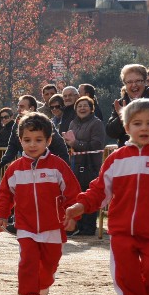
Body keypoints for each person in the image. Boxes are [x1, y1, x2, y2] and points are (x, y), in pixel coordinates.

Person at [65, 99, 149, 295]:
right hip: (121, 230)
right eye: (137, 123)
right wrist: (81, 205)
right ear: (127, 128)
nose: (144, 128)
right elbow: (99, 189)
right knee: (126, 274)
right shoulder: (117, 158)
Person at [0, 112, 80, 295]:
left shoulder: (58, 166)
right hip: (26, 226)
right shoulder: (14, 169)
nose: (33, 144)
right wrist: (1, 216)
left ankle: (42, 284)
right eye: (27, 140)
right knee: (28, 261)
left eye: (38, 140)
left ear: (48, 140)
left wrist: (73, 215)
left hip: (53, 226)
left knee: (49, 265)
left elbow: (73, 194)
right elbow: (5, 194)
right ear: (20, 140)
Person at [63, 96, 106, 236]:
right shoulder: (72, 123)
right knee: (77, 193)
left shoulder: (97, 123)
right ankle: (78, 226)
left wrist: (75, 143)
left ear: (91, 108)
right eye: (79, 105)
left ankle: (88, 228)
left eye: (85, 105)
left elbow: (97, 144)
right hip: (76, 163)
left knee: (88, 193)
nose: (82, 108)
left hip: (91, 164)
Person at [0, 95, 70, 168]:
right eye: (18, 106)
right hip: (27, 165)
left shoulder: (44, 121)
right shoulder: (18, 123)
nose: (18, 109)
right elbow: (13, 144)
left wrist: (65, 165)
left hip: (46, 165)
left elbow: (59, 143)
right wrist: (5, 159)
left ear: (31, 108)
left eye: (22, 106)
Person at [106, 64, 149, 147]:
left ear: (145, 82)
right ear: (125, 85)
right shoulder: (119, 104)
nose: (134, 85)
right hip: (128, 155)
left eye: (138, 81)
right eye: (129, 82)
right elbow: (111, 132)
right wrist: (122, 118)